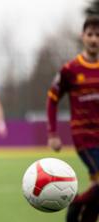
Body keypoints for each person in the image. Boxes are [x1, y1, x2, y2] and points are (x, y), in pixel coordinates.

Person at [46, 15, 99, 222]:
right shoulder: (70, 70)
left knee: (97, 187)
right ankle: (75, 204)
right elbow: (52, 98)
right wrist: (52, 133)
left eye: (98, 35)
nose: (94, 39)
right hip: (84, 136)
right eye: (90, 34)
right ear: (83, 37)